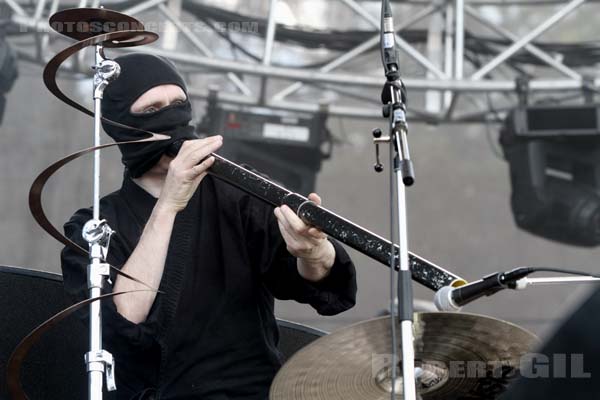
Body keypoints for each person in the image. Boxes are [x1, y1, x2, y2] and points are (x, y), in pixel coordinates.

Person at [60, 53, 357, 400]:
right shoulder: (94, 225)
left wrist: (315, 253)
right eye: (152, 109)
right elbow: (122, 321)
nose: (171, 115)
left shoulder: (240, 193)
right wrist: (169, 204)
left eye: (179, 103)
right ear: (120, 124)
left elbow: (318, 286)